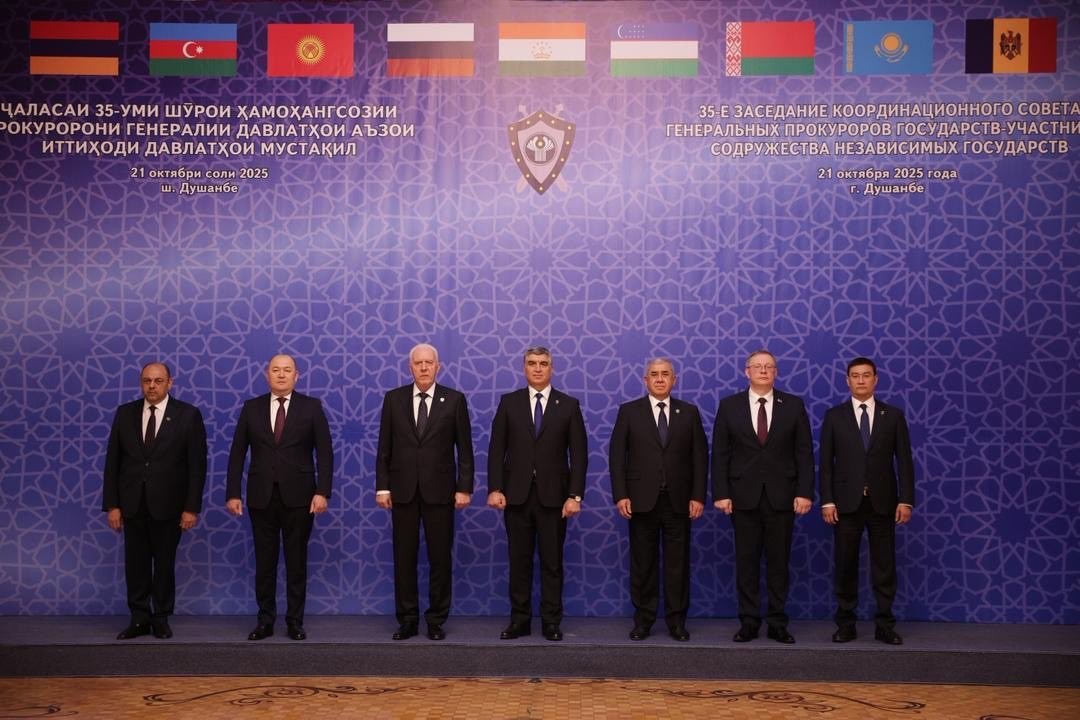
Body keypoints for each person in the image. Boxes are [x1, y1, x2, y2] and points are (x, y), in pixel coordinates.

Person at [226, 354, 333, 641]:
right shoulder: (251, 408)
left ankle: (295, 621)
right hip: (261, 497)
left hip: (301, 497)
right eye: (276, 370)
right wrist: (233, 492)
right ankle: (265, 621)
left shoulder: (311, 407)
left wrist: (322, 491)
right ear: (267, 374)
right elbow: (237, 453)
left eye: (287, 370)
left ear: (296, 376)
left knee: (296, 562)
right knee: (265, 563)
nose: (281, 375)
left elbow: (325, 452)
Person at [712, 350, 814, 644]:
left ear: (776, 373)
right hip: (742, 497)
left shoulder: (793, 405)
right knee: (747, 563)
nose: (763, 370)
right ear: (747, 372)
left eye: (769, 366)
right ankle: (749, 622)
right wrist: (721, 493)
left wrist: (804, 492)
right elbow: (720, 453)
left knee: (779, 564)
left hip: (783, 497)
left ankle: (777, 623)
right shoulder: (729, 405)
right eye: (757, 366)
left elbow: (804, 452)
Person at [487, 346, 588, 642]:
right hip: (516, 496)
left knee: (552, 563)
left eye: (544, 363)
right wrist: (495, 488)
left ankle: (551, 622)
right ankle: (519, 621)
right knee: (518, 562)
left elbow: (579, 455)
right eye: (532, 363)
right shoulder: (509, 403)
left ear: (552, 368)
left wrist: (575, 495)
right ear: (524, 368)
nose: (538, 368)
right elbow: (496, 449)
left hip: (555, 498)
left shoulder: (568, 405)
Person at [376, 343, 474, 641]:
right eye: (418, 363)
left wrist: (464, 488)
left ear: (438, 366)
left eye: (428, 363)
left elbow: (465, 450)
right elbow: (384, 448)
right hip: (402, 491)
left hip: (441, 492)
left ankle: (435, 620)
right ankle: (407, 620)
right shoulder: (393, 399)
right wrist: (382, 487)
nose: (423, 367)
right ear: (410, 368)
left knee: (440, 558)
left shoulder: (454, 400)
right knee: (404, 558)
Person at [103, 362, 207, 640]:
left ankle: (160, 618)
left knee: (164, 564)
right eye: (147, 380)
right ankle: (139, 618)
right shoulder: (125, 413)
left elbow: (197, 466)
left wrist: (191, 508)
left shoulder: (188, 415)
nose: (152, 386)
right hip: (132, 504)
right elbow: (112, 462)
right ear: (141, 383)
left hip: (170, 506)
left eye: (158, 381)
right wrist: (112, 505)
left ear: (169, 383)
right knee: (135, 565)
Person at [609, 358, 707, 642]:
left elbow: (700, 458)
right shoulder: (629, 411)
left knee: (678, 565)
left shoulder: (688, 412)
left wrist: (698, 496)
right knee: (643, 565)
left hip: (679, 501)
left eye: (665, 374)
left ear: (674, 380)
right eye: (654, 374)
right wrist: (621, 494)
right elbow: (617, 456)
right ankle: (644, 621)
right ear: (646, 380)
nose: (660, 379)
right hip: (641, 501)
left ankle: (677, 622)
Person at [820, 357, 915, 645]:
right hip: (845, 504)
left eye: (866, 375)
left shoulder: (893, 415)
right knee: (845, 565)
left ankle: (885, 625)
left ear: (876, 379)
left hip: (883, 503)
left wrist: (906, 500)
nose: (860, 380)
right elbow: (825, 463)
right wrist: (827, 501)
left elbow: (905, 461)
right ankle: (846, 624)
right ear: (847, 380)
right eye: (855, 375)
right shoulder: (834, 416)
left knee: (884, 566)